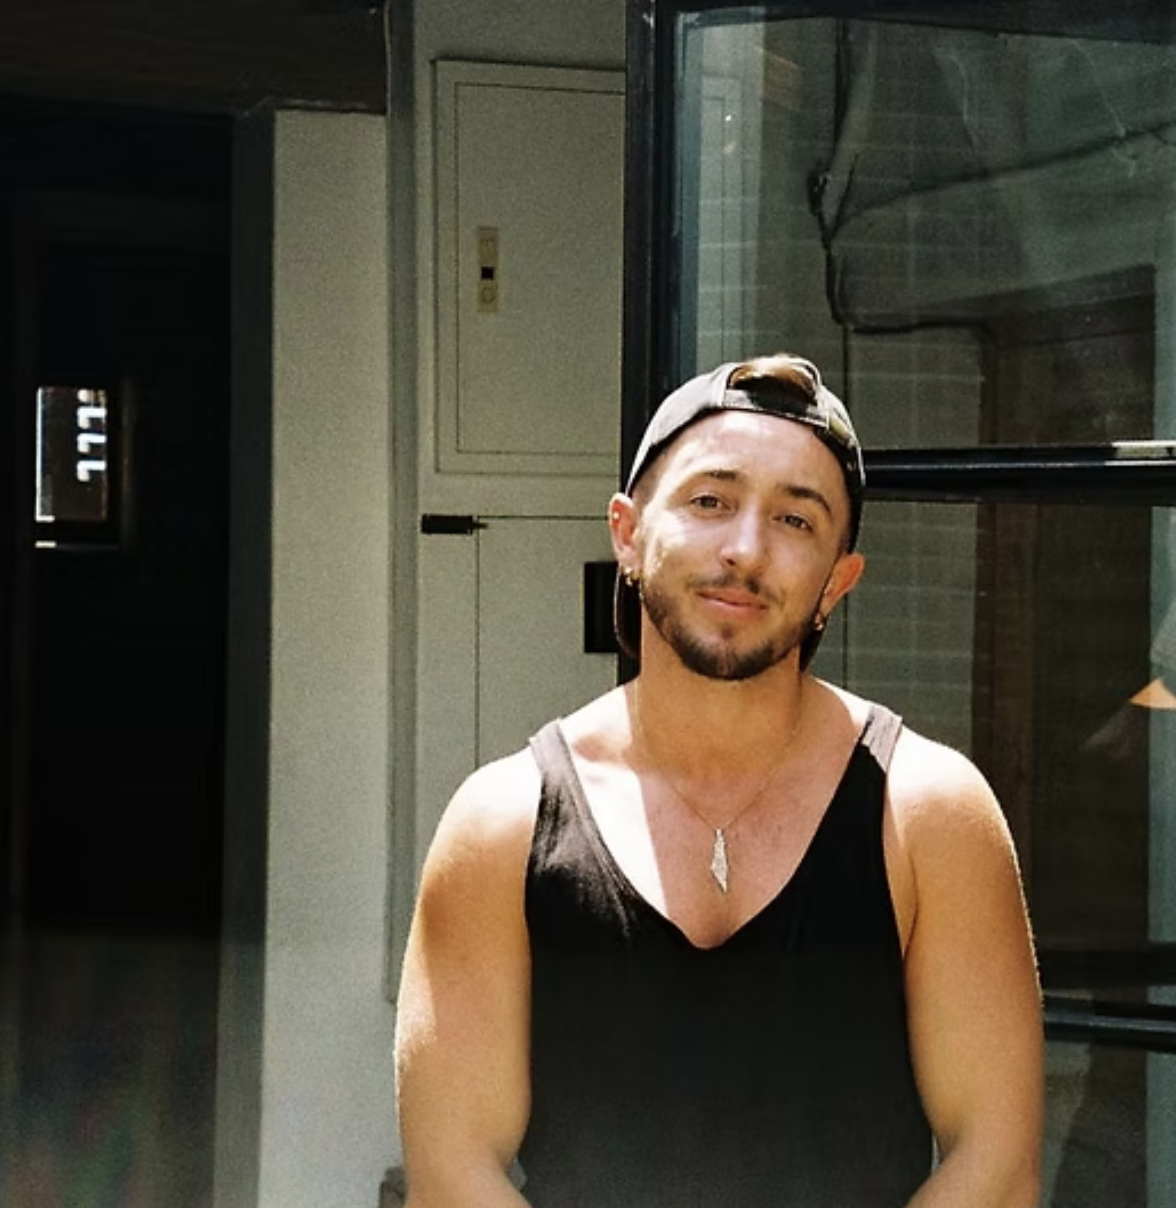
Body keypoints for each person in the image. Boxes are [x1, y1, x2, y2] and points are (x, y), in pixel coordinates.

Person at [394, 353, 1043, 1208]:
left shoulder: (927, 814)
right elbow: (454, 1174)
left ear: (836, 585)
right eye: (710, 501)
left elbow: (993, 1170)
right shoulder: (503, 825)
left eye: (797, 521)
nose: (746, 549)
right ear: (627, 533)